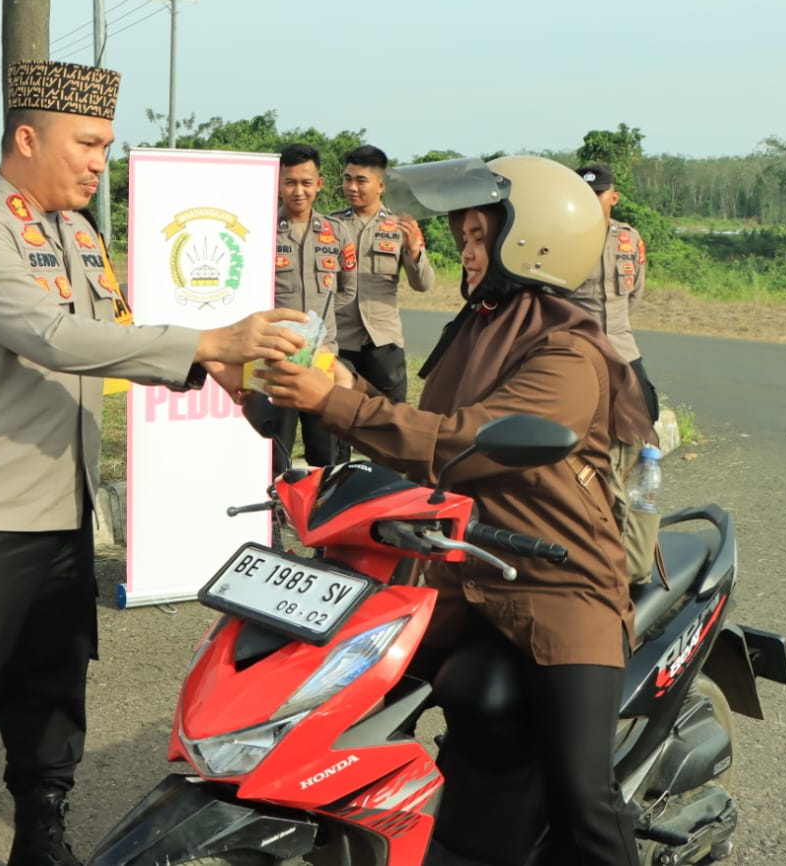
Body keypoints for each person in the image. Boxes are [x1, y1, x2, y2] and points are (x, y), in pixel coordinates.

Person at [0, 61, 306, 866]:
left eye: (107, 145)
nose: (101, 161)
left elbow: (117, 337)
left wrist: (221, 369)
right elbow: (50, 336)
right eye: (87, 143)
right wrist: (206, 341)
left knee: (51, 693)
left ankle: (40, 838)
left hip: (61, 514)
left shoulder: (77, 234)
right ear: (27, 139)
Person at [259, 156, 655, 866]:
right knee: (340, 714)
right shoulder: (476, 327)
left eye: (479, 237)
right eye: (463, 237)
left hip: (558, 586)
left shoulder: (565, 348)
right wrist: (325, 378)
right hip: (461, 571)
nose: (466, 252)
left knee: (581, 792)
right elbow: (420, 424)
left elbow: (463, 444)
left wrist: (334, 405)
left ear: (530, 241)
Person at [569, 161, 661, 584]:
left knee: (638, 442)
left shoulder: (629, 238)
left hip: (624, 350)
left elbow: (635, 292)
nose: (592, 200)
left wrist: (615, 333)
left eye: (599, 193)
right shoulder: (564, 236)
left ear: (613, 196)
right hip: (581, 353)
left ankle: (631, 557)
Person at [332, 144, 436, 404]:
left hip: (383, 341)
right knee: (336, 420)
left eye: (361, 181)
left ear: (381, 185)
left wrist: (413, 251)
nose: (352, 187)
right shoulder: (330, 226)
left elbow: (424, 284)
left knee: (390, 423)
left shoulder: (399, 226)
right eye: (347, 179)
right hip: (339, 341)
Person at [269, 143, 348, 472]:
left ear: (320, 183)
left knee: (325, 449)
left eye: (306, 182)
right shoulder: (263, 231)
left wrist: (322, 334)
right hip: (276, 354)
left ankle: (320, 518)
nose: (298, 191)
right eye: (290, 182)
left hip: (322, 356)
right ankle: (274, 520)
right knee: (275, 448)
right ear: (278, 184)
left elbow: (347, 291)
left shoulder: (336, 232)